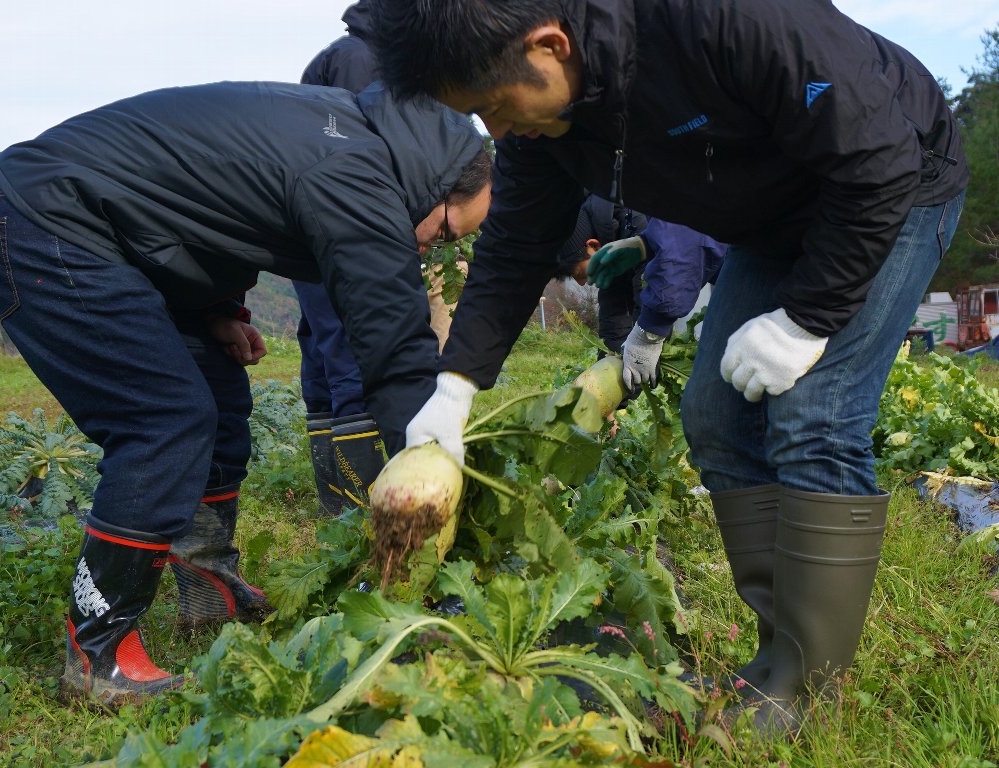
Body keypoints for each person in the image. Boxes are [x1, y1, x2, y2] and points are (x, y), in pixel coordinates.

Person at [368, 0, 967, 736]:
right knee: (714, 417)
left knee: (814, 416)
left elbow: (875, 160)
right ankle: (776, 658)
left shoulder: (729, 18)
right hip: (773, 220)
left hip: (892, 183)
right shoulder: (545, 125)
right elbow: (515, 249)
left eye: (493, 107)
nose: (495, 131)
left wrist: (806, 317)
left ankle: (813, 691)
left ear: (549, 45)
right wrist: (454, 386)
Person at [0, 80, 491, 703]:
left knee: (218, 397)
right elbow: (394, 351)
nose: (433, 247)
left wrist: (216, 311)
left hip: (105, 230)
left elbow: (204, 214)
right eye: (443, 232)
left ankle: (208, 579)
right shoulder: (355, 174)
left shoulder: (352, 144)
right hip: (48, 220)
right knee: (164, 420)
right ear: (436, 189)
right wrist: (437, 472)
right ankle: (96, 654)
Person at [297, 0, 473, 514]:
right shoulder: (366, 61)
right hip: (343, 232)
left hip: (312, 231)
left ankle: (340, 502)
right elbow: (372, 158)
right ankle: (370, 503)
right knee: (351, 355)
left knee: (325, 355)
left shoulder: (347, 54)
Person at [555, 196, 725, 389]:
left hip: (751, 258)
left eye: (577, 273)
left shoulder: (637, 217)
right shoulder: (613, 242)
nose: (582, 282)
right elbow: (614, 315)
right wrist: (612, 391)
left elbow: (680, 256)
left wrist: (648, 336)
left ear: (592, 245)